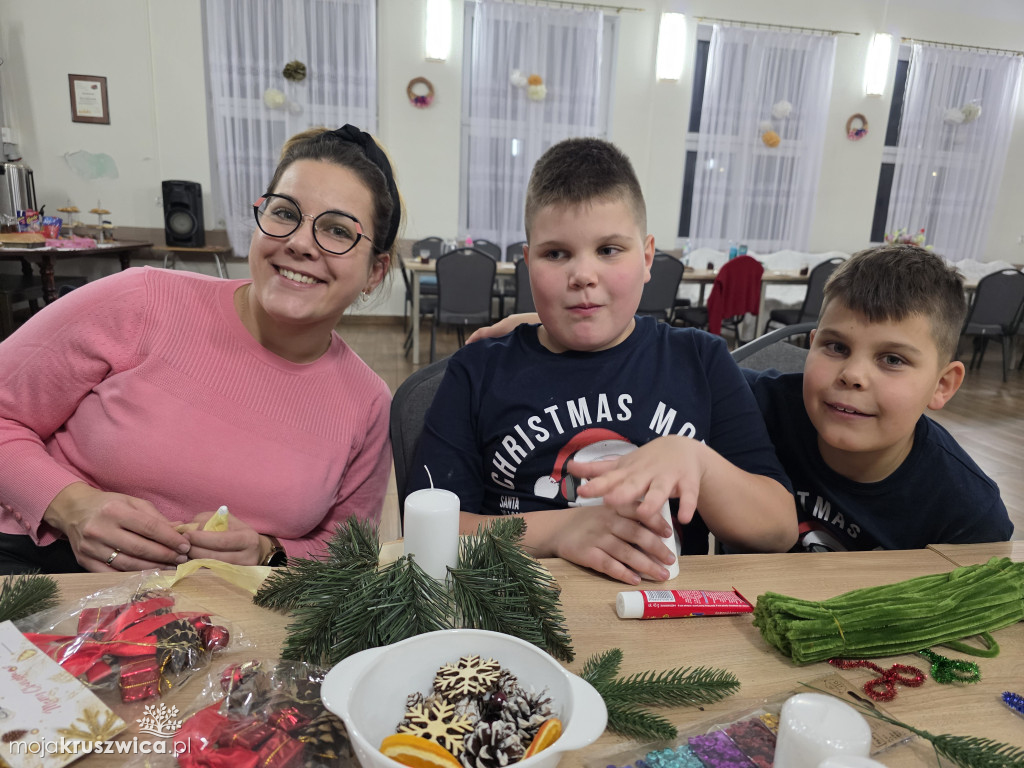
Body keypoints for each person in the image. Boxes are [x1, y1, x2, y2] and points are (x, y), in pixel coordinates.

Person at [0, 124, 400, 574]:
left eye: (338, 230)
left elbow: (346, 553)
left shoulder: (367, 405)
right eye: (285, 213)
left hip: (231, 617)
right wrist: (71, 506)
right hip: (45, 572)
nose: (300, 243)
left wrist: (269, 551)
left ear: (375, 273)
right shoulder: (142, 301)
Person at [408, 138, 797, 585]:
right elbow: (428, 533)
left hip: (664, 620)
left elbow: (778, 530)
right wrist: (560, 530)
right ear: (527, 262)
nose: (583, 276)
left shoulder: (700, 360)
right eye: (556, 253)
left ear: (648, 257)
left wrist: (700, 462)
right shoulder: (478, 371)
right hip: (514, 617)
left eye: (609, 250)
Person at [745, 245, 1013, 551]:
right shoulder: (748, 408)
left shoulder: (970, 515)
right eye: (836, 347)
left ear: (942, 385)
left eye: (893, 360)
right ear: (812, 345)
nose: (853, 375)